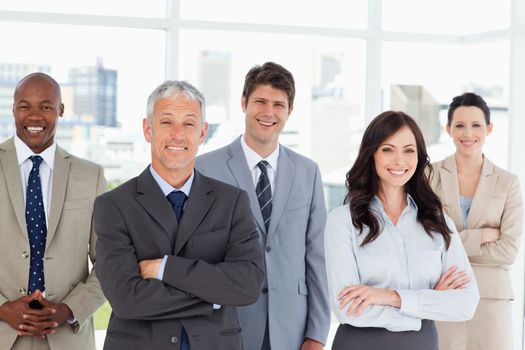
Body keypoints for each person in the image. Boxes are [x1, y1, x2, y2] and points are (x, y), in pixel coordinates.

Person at [94, 80, 264, 350]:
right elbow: (126, 299)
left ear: (202, 132)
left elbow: (248, 285)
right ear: (148, 129)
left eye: (189, 123)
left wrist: (163, 269)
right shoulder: (113, 206)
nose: (177, 134)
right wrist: (215, 296)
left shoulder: (231, 202)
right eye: (166, 122)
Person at [196, 61, 330, 350]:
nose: (269, 112)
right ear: (244, 103)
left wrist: (318, 334)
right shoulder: (205, 168)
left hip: (292, 328)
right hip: (226, 323)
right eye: (260, 101)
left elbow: (317, 256)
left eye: (279, 105)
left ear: (289, 111)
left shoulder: (308, 171)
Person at [324, 111, 480, 350]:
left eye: (409, 150)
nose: (400, 160)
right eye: (388, 149)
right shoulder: (342, 222)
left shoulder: (438, 223)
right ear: (371, 154)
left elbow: (466, 303)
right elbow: (348, 310)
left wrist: (389, 296)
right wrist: (426, 303)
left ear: (419, 157)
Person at [0, 73, 107, 349]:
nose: (34, 116)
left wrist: (70, 309)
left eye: (45, 106)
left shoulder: (91, 176)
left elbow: (110, 261)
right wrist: (2, 308)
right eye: (25, 106)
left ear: (61, 110)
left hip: (67, 337)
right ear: (13, 109)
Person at [430, 92, 523, 350]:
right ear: (448, 129)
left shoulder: (508, 183)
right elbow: (428, 243)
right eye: (459, 125)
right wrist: (481, 236)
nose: (467, 133)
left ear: (489, 128)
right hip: (444, 293)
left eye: (476, 125)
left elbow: (507, 251)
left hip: (491, 300)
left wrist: (454, 244)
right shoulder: (429, 176)